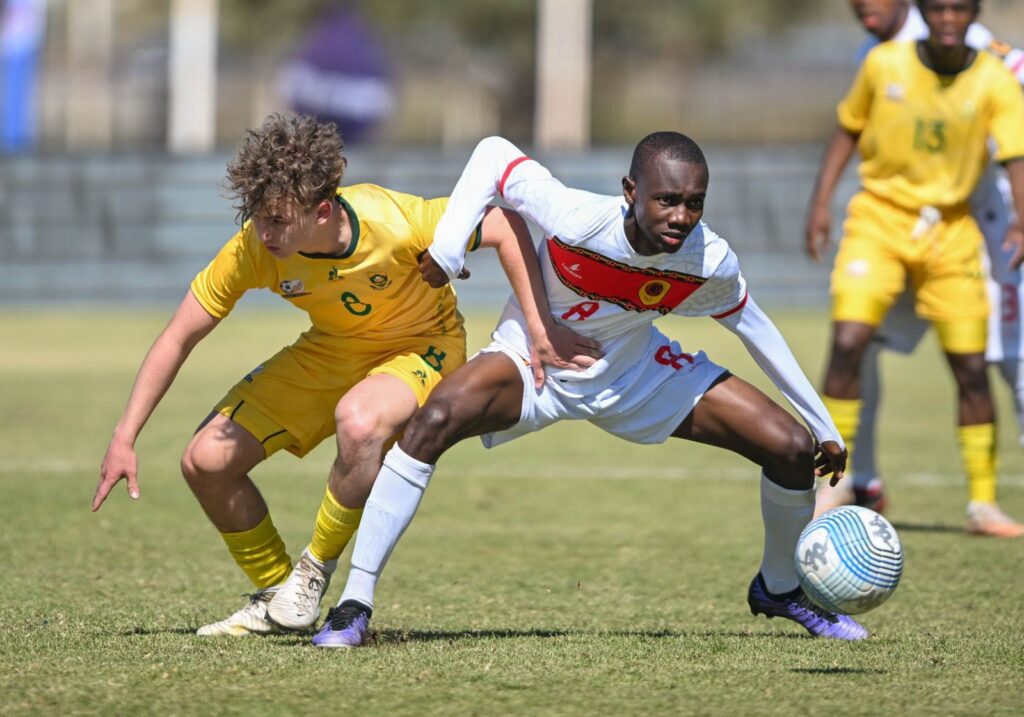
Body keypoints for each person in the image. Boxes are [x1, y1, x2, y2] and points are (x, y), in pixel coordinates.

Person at [305, 131, 872, 649]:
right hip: (535, 362)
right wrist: (451, 247)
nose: (680, 216)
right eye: (666, 199)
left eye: (693, 202)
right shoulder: (578, 219)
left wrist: (821, 422)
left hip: (636, 373)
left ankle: (779, 588)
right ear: (630, 191)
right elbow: (493, 155)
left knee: (792, 449)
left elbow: (756, 329)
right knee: (433, 421)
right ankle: (354, 603)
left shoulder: (708, 259)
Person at [92, 113, 589, 636]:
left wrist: (540, 328)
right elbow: (178, 335)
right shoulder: (254, 248)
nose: (265, 233)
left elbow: (505, 225)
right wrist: (125, 436)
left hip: (424, 347)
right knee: (205, 461)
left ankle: (313, 570)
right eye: (259, 217)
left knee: (358, 420)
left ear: (324, 210)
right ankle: (277, 594)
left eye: (278, 220)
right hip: (333, 350)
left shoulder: (395, 220)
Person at [805, 0, 1024, 537]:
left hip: (952, 232)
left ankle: (983, 505)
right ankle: (836, 486)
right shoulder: (883, 63)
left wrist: (1020, 223)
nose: (948, 20)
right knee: (850, 341)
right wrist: (820, 203)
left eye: (959, 10)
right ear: (925, 12)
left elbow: (1015, 156)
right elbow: (847, 128)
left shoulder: (995, 78)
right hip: (879, 220)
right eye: (940, 9)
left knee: (971, 368)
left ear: (974, 15)